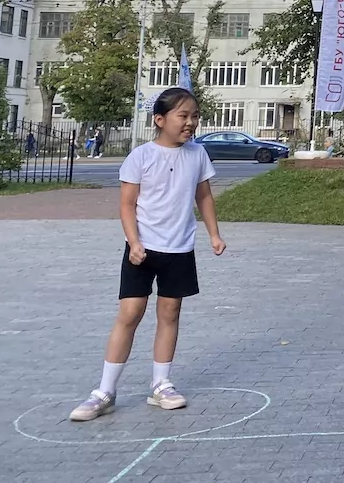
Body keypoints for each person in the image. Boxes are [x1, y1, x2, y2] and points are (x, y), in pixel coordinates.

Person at [68, 88, 226, 421]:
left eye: (195, 116)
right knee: (130, 313)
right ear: (160, 119)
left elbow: (204, 197)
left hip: (179, 248)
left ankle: (161, 385)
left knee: (170, 313)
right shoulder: (140, 156)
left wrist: (214, 234)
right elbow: (127, 204)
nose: (190, 123)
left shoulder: (198, 154)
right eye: (183, 116)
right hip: (142, 249)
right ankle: (105, 392)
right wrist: (134, 241)